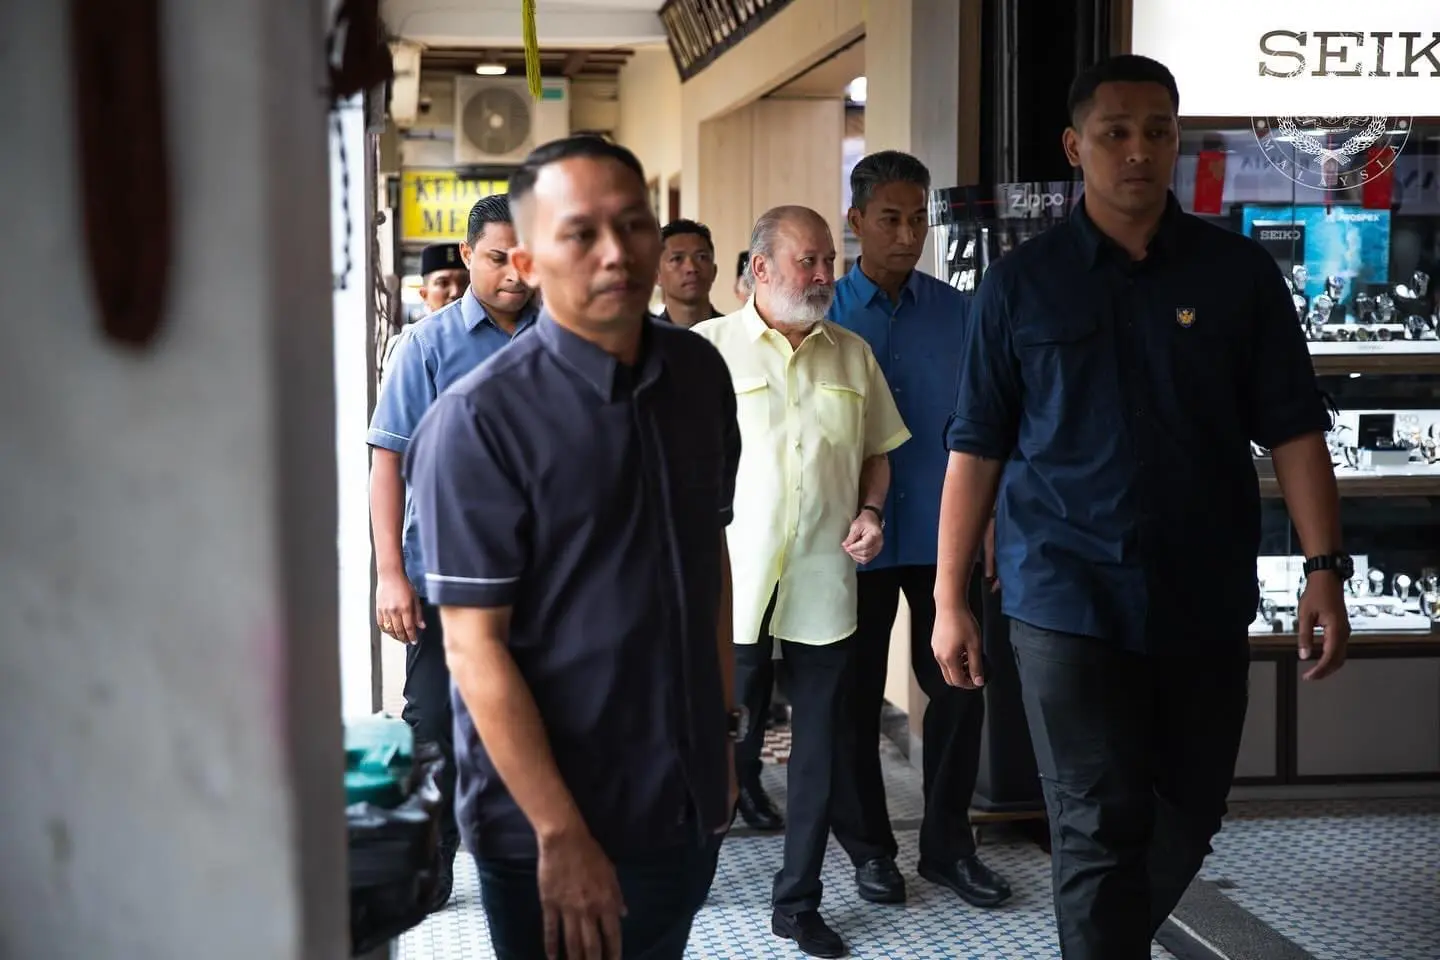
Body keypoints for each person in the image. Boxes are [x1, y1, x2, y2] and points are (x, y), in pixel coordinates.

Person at [933, 55, 1350, 960]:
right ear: (1075, 145)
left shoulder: (1237, 276)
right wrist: (949, 598)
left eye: (1157, 131)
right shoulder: (1019, 285)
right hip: (1062, 595)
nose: (1138, 151)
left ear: (1177, 142)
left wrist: (1325, 571)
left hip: (1200, 589)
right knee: (1092, 821)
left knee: (1191, 809)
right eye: (1116, 132)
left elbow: (1294, 430)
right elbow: (976, 447)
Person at [404, 135, 741, 960]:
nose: (615, 251)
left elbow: (709, 561)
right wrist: (558, 833)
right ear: (526, 257)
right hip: (550, 822)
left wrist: (722, 738)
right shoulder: (479, 421)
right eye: (580, 232)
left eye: (633, 225)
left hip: (683, 796)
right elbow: (474, 648)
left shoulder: (699, 376)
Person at [693, 206, 909, 959]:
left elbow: (879, 451)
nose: (825, 276)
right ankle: (689, 875)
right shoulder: (704, 352)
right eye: (809, 262)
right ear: (760, 268)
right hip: (729, 586)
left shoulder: (852, 354)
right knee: (713, 737)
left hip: (824, 579)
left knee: (819, 746)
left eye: (828, 261)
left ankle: (799, 902)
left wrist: (873, 510)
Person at [828, 150, 1011, 909]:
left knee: (960, 690)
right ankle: (871, 851)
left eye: (917, 219)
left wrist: (994, 519)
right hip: (851, 545)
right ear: (857, 221)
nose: (908, 234)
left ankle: (947, 846)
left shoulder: (960, 313)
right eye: (891, 219)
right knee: (850, 700)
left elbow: (994, 426)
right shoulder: (823, 311)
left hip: (945, 537)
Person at [366, 193, 537, 910]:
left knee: (535, 714)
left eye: (524, 258)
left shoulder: (560, 337)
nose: (514, 275)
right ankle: (433, 863)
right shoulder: (427, 346)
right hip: (440, 571)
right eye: (497, 258)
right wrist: (389, 576)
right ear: (467, 256)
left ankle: (531, 854)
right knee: (434, 719)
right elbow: (389, 461)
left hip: (540, 574)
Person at [380, 242, 469, 370]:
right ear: (424, 294)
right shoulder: (409, 344)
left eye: (463, 282)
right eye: (443, 283)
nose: (455, 292)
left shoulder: (491, 338)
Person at [655, 219, 724, 327]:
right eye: (677, 259)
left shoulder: (737, 335)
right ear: (656, 276)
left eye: (701, 257)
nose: (691, 268)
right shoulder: (643, 340)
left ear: (714, 272)